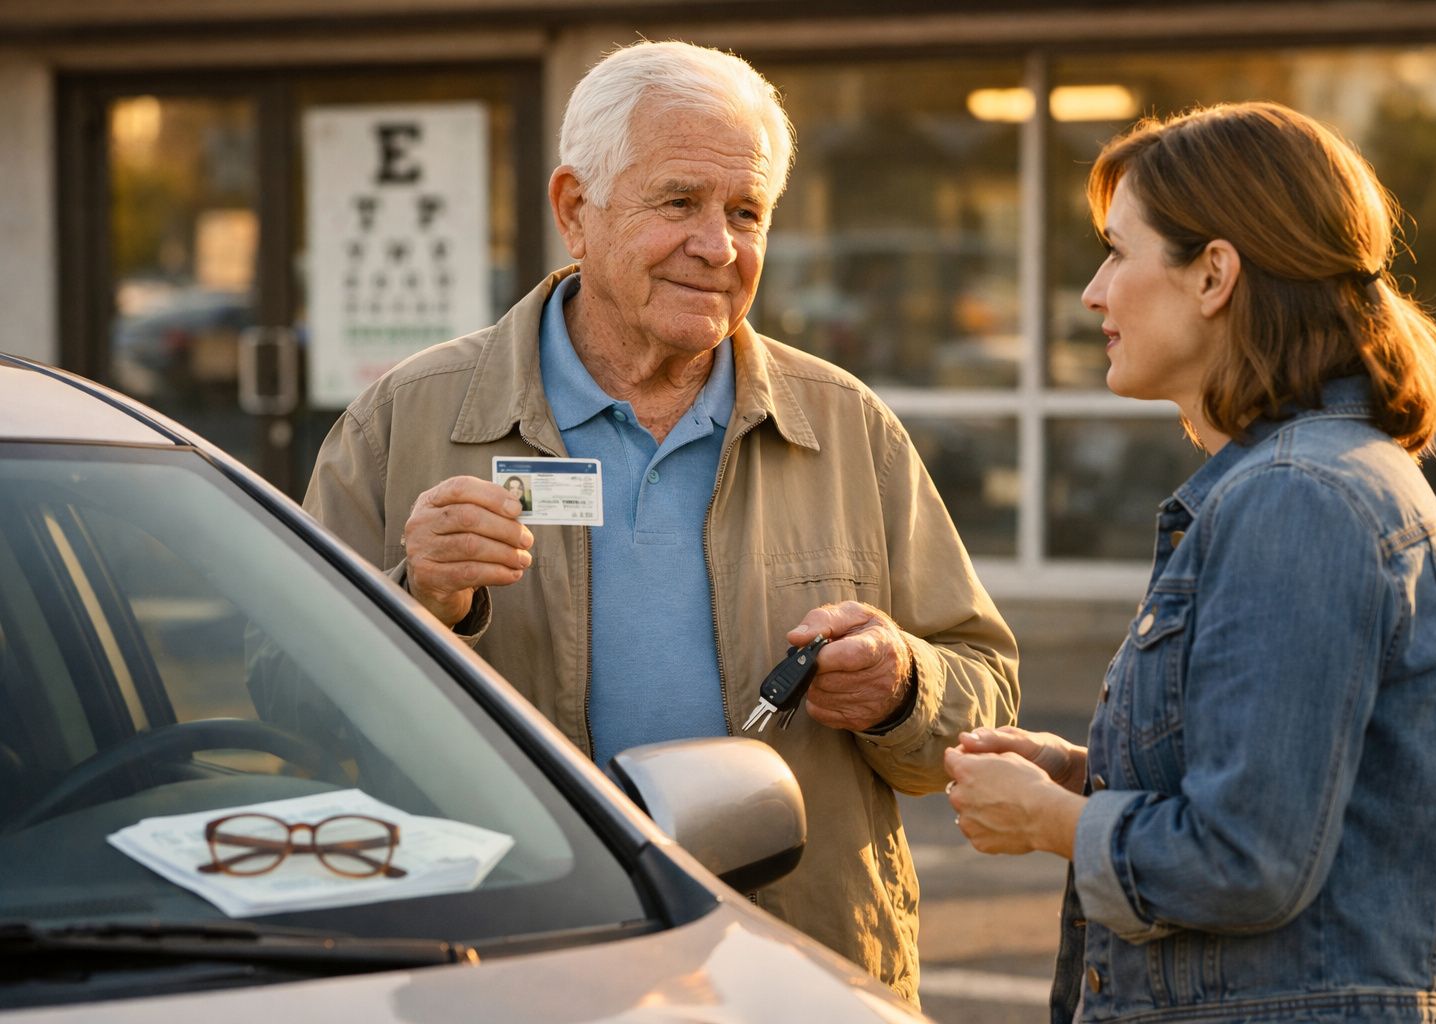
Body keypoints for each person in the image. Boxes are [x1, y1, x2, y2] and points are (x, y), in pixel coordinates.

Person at [303, 39, 1019, 1003]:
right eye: (679, 202)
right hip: (506, 973)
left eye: (746, 213)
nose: (717, 246)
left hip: (797, 979)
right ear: (574, 210)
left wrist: (903, 687)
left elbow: (985, 706)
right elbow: (291, 714)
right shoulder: (405, 422)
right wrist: (417, 600)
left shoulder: (847, 427)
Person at [944, 102, 1436, 1023]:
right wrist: (1083, 776)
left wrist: (1051, 821)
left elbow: (1248, 858)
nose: (1093, 293)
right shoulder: (1313, 480)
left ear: (1214, 275)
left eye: (1118, 252)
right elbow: (1290, 784)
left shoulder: (1298, 497)